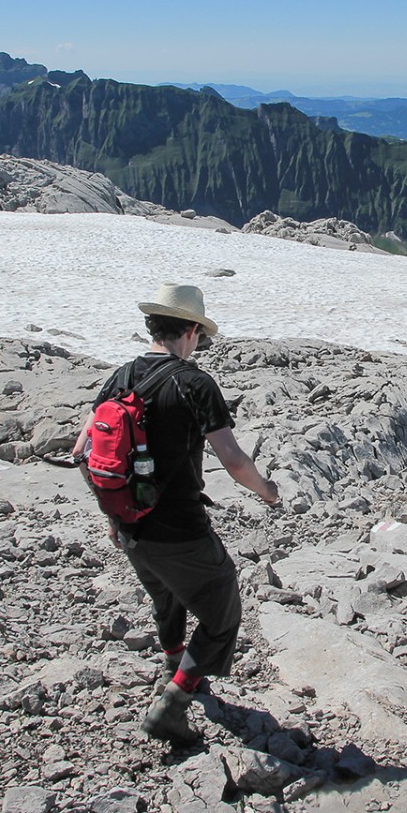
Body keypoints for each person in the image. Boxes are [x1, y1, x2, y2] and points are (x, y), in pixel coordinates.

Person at [72, 282, 280, 744]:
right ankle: (175, 699)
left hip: (130, 525)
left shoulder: (120, 377)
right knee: (222, 606)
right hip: (180, 524)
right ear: (189, 331)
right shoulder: (195, 383)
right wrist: (267, 491)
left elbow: (82, 450)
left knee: (165, 594)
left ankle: (173, 660)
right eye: (199, 336)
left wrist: (114, 515)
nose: (199, 344)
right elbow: (232, 459)